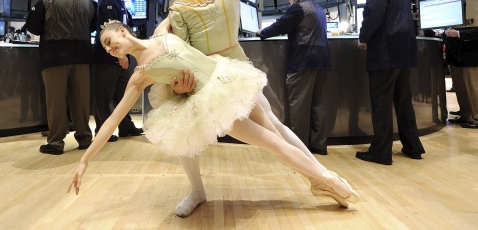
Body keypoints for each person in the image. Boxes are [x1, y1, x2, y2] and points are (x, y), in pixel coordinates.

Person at [154, 0, 334, 216]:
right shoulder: (179, 6)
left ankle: (319, 175)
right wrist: (167, 46)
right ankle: (197, 191)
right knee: (185, 134)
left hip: (237, 70)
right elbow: (182, 49)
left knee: (273, 126)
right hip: (204, 76)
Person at [68, 21, 360, 212]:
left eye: (109, 40)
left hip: (228, 76)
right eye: (105, 46)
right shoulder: (139, 76)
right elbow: (110, 121)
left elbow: (194, 0)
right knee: (270, 141)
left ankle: (321, 180)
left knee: (275, 131)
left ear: (122, 30)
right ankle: (328, 179)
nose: (109, 48)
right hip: (212, 103)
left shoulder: (162, 31)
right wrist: (85, 160)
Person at [355, 0, 425, 165]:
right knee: (403, 102)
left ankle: (381, 151)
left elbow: (372, 17)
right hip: (404, 53)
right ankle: (413, 147)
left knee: (381, 104)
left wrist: (363, 38)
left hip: (385, 54)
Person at [25, 0, 97, 155]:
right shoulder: (88, 2)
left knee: (56, 101)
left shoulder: (47, 0)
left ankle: (56, 143)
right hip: (81, 56)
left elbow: (33, 27)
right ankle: (85, 139)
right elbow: (93, 26)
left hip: (54, 57)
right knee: (80, 101)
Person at [256, 0, 331, 155]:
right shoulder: (319, 8)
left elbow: (280, 25)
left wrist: (263, 32)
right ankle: (319, 146)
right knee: (318, 105)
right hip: (323, 61)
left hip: (303, 61)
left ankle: (299, 148)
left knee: (300, 107)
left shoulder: (299, 8)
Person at [92, 0, 143, 141]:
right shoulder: (108, 2)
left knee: (122, 95)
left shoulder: (121, 4)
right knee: (104, 96)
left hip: (120, 58)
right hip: (108, 59)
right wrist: (120, 56)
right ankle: (102, 131)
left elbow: (127, 31)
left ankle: (126, 127)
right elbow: (111, 33)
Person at [443, 27, 478, 128]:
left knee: (473, 88)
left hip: (470, 56)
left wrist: (458, 33)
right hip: (455, 58)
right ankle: (466, 116)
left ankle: (476, 118)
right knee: (460, 89)